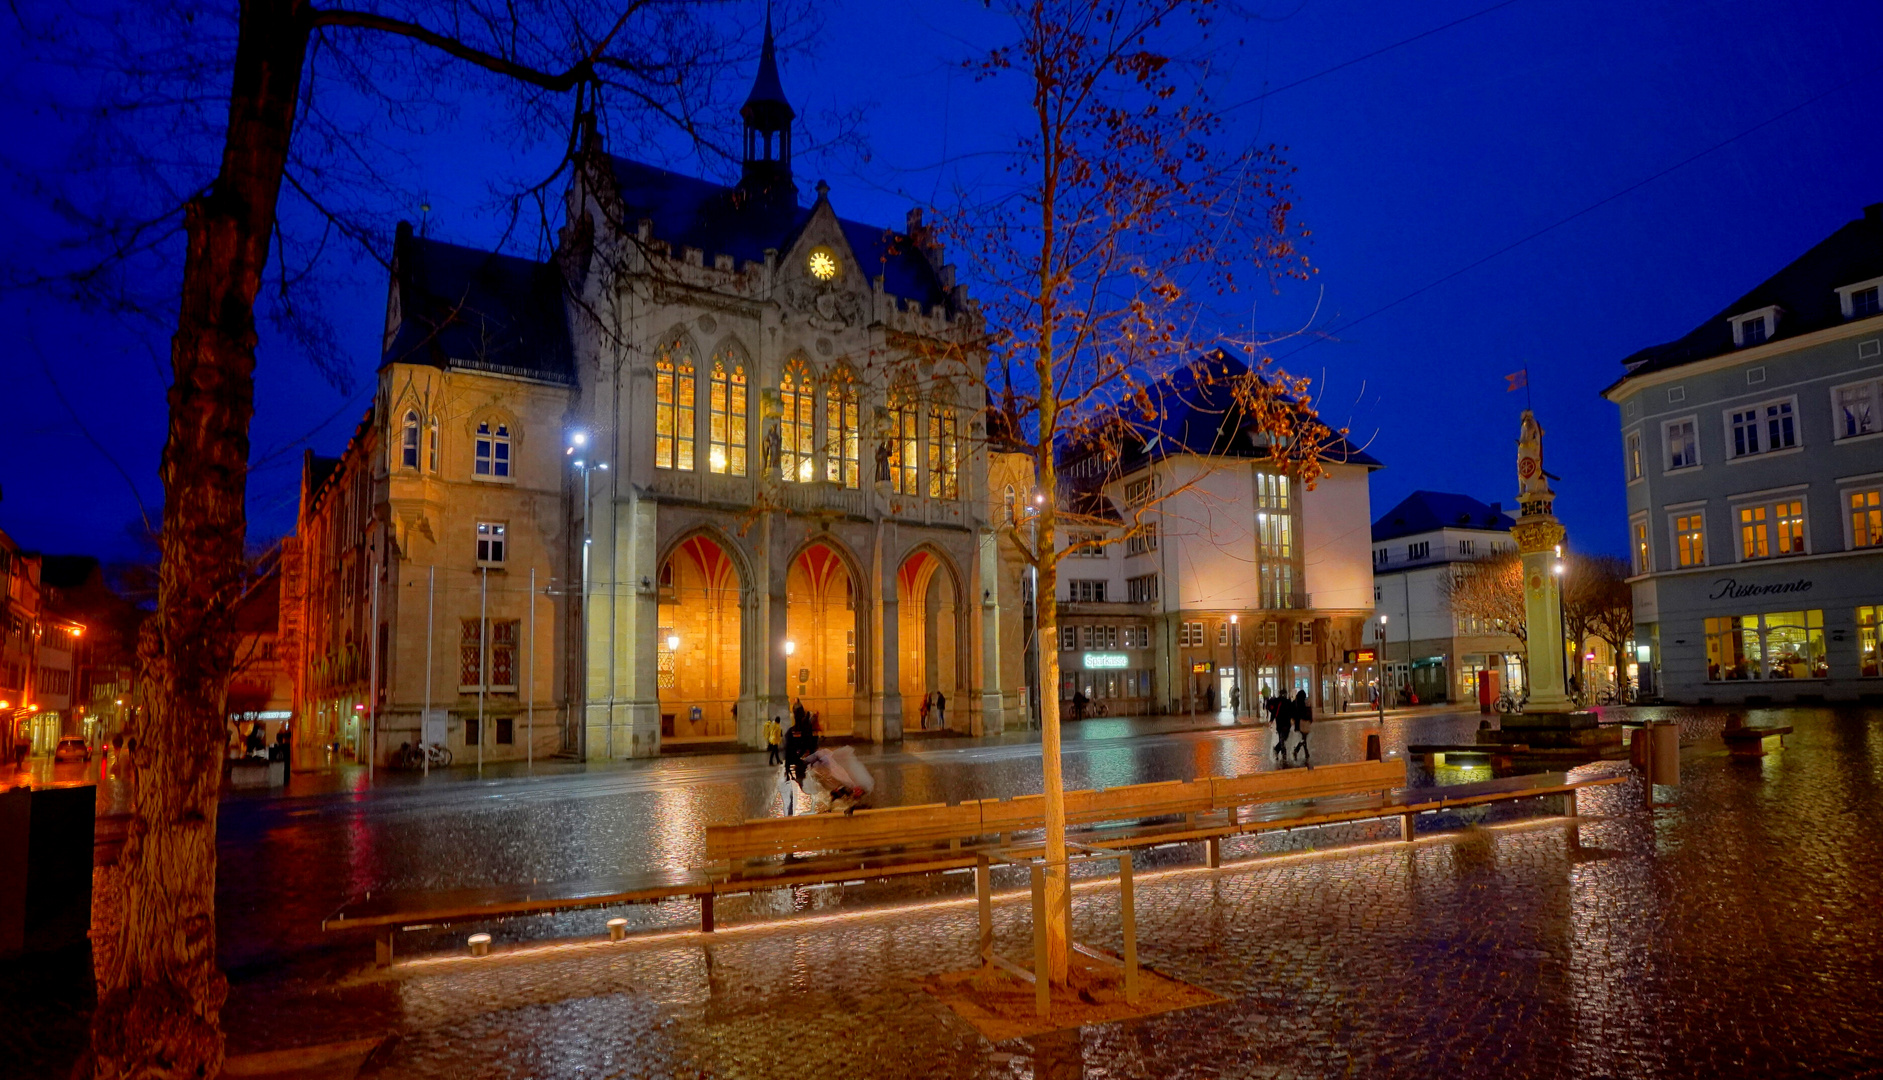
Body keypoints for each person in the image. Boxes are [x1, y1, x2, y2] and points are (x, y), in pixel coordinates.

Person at [1291, 689, 1312, 762]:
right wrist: (1310, 719)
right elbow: (1308, 712)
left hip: (1299, 722)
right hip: (1304, 722)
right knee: (1303, 738)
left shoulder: (1295, 702)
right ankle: (1296, 750)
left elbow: (1294, 713)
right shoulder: (1304, 702)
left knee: (1304, 738)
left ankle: (1306, 752)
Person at [1270, 694, 1292, 761]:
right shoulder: (1285, 702)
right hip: (1284, 724)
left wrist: (1271, 720)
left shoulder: (1282, 702)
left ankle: (1277, 750)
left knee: (1282, 739)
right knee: (1282, 740)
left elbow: (1274, 712)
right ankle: (1284, 756)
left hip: (1282, 724)